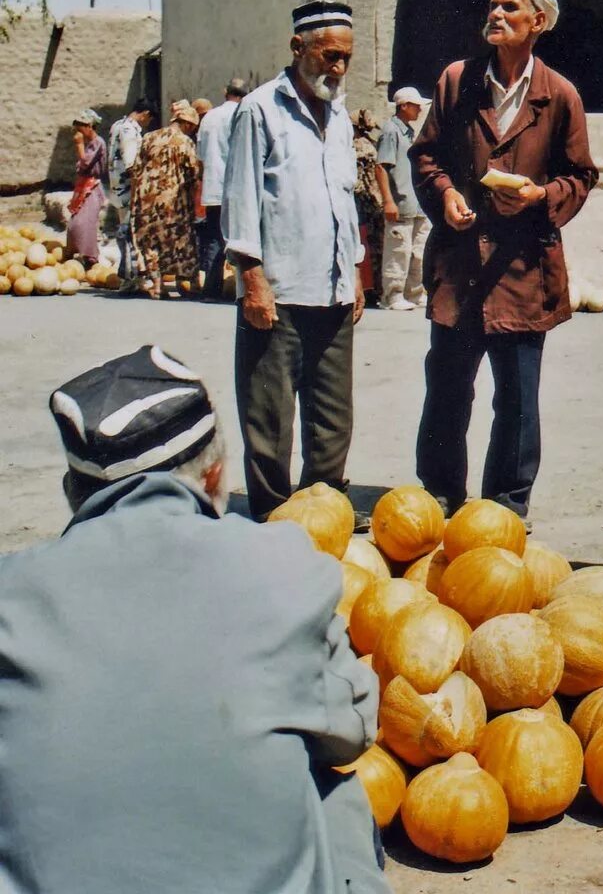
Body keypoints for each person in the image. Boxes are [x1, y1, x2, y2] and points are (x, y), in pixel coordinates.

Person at [0, 345, 388, 894]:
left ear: (73, 494)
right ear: (214, 478)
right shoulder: (282, 567)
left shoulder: (9, 596)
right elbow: (353, 731)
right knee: (337, 794)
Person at [411, 0, 598, 527]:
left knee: (516, 399)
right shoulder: (455, 82)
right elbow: (426, 157)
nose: (495, 15)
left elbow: (581, 176)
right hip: (460, 267)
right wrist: (444, 195)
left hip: (522, 271)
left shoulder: (559, 95)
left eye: (509, 9)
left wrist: (542, 196)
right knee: (447, 388)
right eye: (492, 6)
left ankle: (506, 508)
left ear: (537, 22)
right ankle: (441, 495)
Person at [222, 0, 369, 528]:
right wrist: (253, 281)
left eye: (346, 58)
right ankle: (270, 516)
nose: (338, 69)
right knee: (270, 417)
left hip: (332, 290)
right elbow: (240, 200)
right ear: (297, 48)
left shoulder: (341, 117)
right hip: (277, 292)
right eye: (330, 56)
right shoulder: (259, 110)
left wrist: (354, 270)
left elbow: (345, 200)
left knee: (333, 418)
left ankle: (324, 512)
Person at [130, 104, 202, 299]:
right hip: (173, 200)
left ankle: (157, 286)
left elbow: (136, 169)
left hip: (146, 198)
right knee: (180, 239)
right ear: (187, 124)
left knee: (151, 241)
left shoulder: (149, 137)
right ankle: (189, 283)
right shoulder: (185, 142)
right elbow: (194, 171)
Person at [376, 86, 431, 310]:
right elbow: (381, 167)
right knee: (398, 252)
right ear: (404, 106)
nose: (419, 110)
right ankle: (393, 295)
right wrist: (388, 200)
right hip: (400, 203)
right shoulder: (391, 131)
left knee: (418, 252)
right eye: (416, 105)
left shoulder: (407, 131)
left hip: (415, 203)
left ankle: (414, 292)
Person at [196, 77, 248, 300]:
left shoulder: (209, 117)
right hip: (235, 187)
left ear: (225, 92)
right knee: (241, 237)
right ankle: (239, 289)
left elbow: (200, 154)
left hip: (213, 187)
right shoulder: (242, 115)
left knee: (215, 237)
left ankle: (210, 288)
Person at [107, 98, 157, 290]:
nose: (147, 124)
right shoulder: (130, 130)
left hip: (117, 188)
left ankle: (132, 276)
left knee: (127, 232)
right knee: (129, 234)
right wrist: (140, 191)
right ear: (145, 114)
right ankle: (129, 279)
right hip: (129, 190)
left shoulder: (117, 125)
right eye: (148, 120)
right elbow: (131, 165)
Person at [65, 108, 107, 267]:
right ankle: (76, 252)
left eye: (81, 127)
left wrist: (79, 145)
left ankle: (91, 257)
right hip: (84, 185)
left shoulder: (98, 142)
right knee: (75, 222)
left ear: (90, 126)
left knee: (85, 223)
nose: (78, 131)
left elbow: (85, 162)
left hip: (92, 187)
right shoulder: (91, 143)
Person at [352, 109, 385, 307]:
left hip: (366, 201)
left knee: (370, 247)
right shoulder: (369, 144)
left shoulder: (359, 147)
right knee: (373, 247)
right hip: (371, 200)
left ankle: (373, 289)